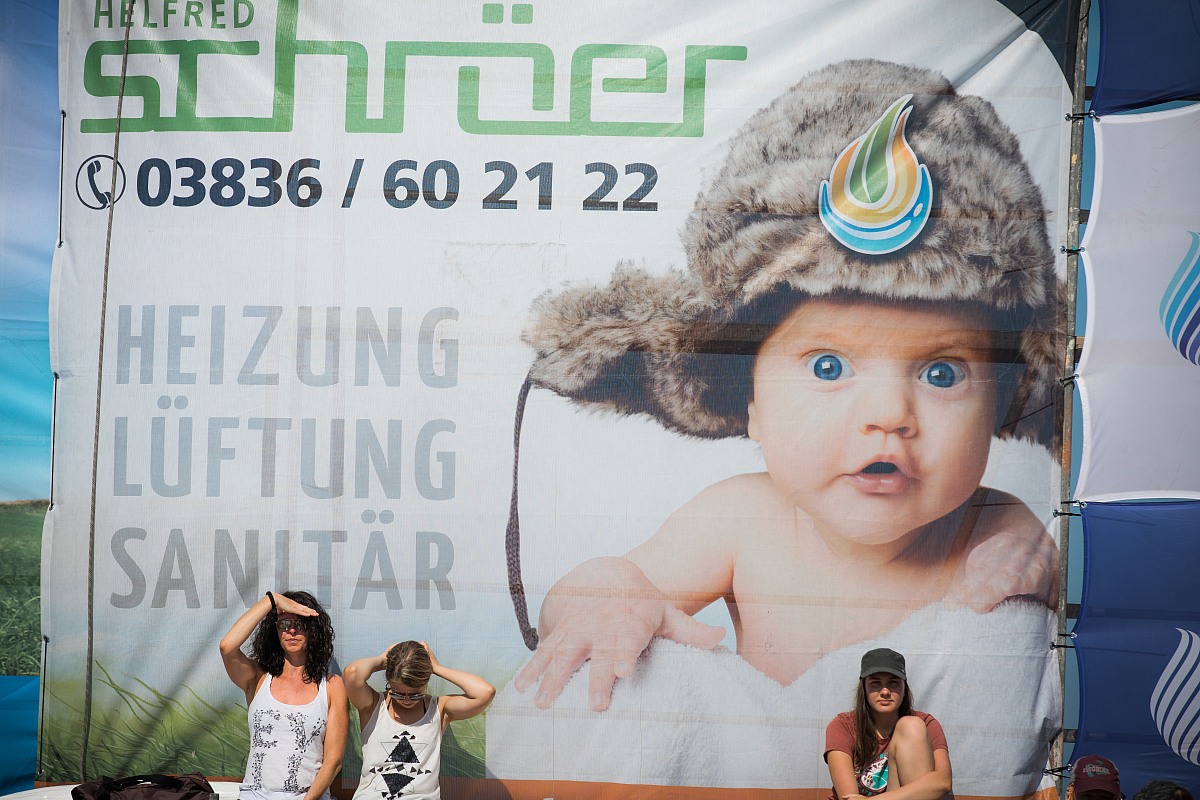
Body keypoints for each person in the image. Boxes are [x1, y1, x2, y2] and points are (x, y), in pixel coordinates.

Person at [511, 58, 1062, 713]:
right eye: (828, 367)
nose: (890, 414)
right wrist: (609, 597)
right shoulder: (742, 519)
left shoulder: (994, 528)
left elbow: (1039, 637)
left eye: (941, 372)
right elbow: (588, 598)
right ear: (749, 402)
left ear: (1003, 399)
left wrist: (1038, 572)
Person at [219, 590, 348, 800]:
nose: (292, 630)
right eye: (284, 624)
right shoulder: (258, 678)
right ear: (275, 631)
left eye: (301, 624)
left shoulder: (333, 685)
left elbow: (333, 761)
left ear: (313, 630)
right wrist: (272, 600)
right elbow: (227, 647)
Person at [344, 640, 495, 800]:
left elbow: (485, 692)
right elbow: (352, 673)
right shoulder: (374, 705)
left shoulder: (440, 709)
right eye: (398, 693)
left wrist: (437, 668)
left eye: (416, 694)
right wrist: (383, 661)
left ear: (426, 682)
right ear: (389, 683)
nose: (407, 700)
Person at [825, 648, 951, 800]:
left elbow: (943, 783)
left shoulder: (925, 723)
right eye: (875, 683)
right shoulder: (842, 726)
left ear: (904, 688)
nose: (885, 692)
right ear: (864, 688)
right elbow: (849, 797)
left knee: (911, 725)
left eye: (893, 683)